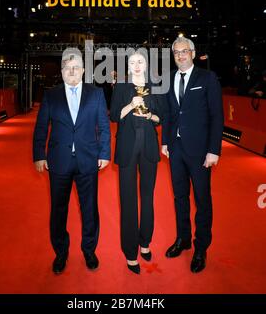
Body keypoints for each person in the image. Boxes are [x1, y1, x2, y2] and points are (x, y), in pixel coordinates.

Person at [33, 51, 110, 274]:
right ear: (62, 71)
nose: (72, 71)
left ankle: (89, 250)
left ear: (84, 70)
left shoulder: (96, 94)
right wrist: (39, 154)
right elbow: (41, 127)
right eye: (67, 67)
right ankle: (61, 252)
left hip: (88, 160)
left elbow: (104, 127)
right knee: (58, 210)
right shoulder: (51, 95)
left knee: (89, 209)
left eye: (76, 66)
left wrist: (104, 152)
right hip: (59, 161)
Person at [161, 37, 223, 273]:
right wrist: (165, 141)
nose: (180, 55)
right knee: (180, 198)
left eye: (184, 51)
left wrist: (213, 150)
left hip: (200, 151)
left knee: (202, 200)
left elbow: (217, 116)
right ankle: (183, 239)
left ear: (193, 53)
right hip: (175, 150)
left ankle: (201, 247)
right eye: (176, 52)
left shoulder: (207, 78)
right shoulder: (169, 79)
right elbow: (168, 114)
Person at [110, 52, 161, 274]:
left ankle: (145, 242)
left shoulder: (156, 86)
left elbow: (162, 117)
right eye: (132, 62)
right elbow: (113, 116)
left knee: (148, 198)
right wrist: (131, 105)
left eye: (140, 62)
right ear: (127, 66)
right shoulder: (121, 86)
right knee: (128, 200)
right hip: (127, 148)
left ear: (146, 64)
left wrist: (150, 115)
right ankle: (131, 252)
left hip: (149, 147)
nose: (137, 66)